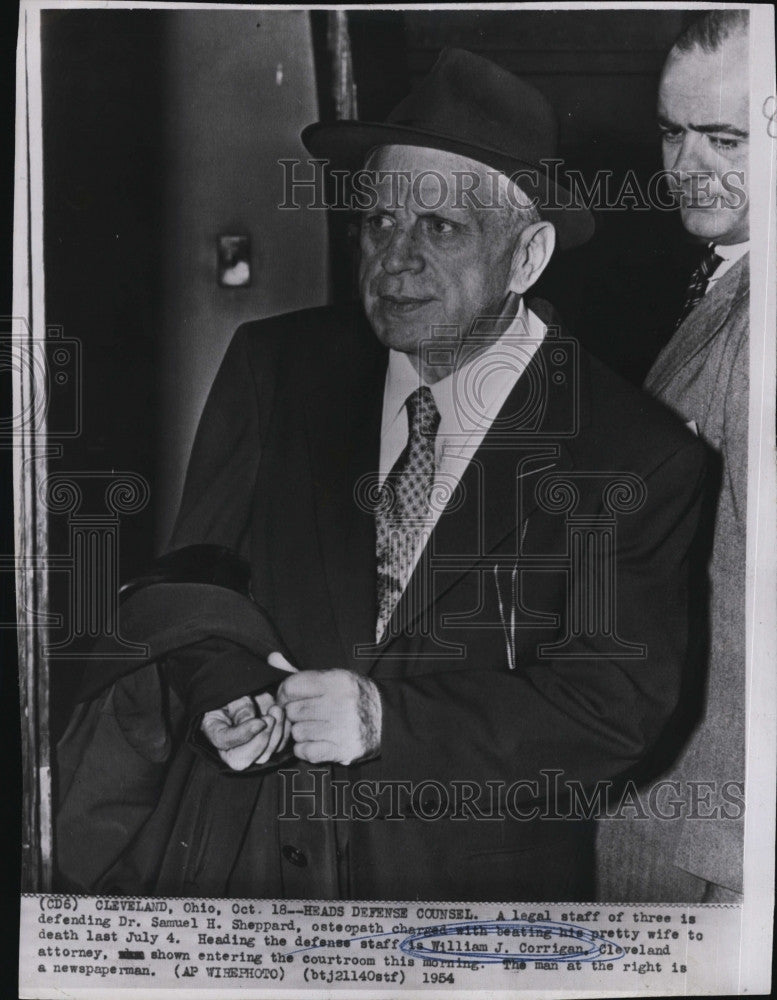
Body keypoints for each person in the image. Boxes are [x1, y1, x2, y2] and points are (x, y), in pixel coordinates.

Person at [56, 47, 706, 902]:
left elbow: (611, 706)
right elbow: (191, 578)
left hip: (465, 904)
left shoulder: (632, 455)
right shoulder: (277, 367)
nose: (393, 261)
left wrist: (384, 723)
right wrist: (227, 688)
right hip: (250, 870)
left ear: (527, 256)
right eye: (378, 222)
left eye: (439, 228)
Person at [596, 10, 749, 902]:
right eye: (671, 131)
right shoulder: (713, 280)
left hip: (709, 827)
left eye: (721, 137)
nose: (685, 165)